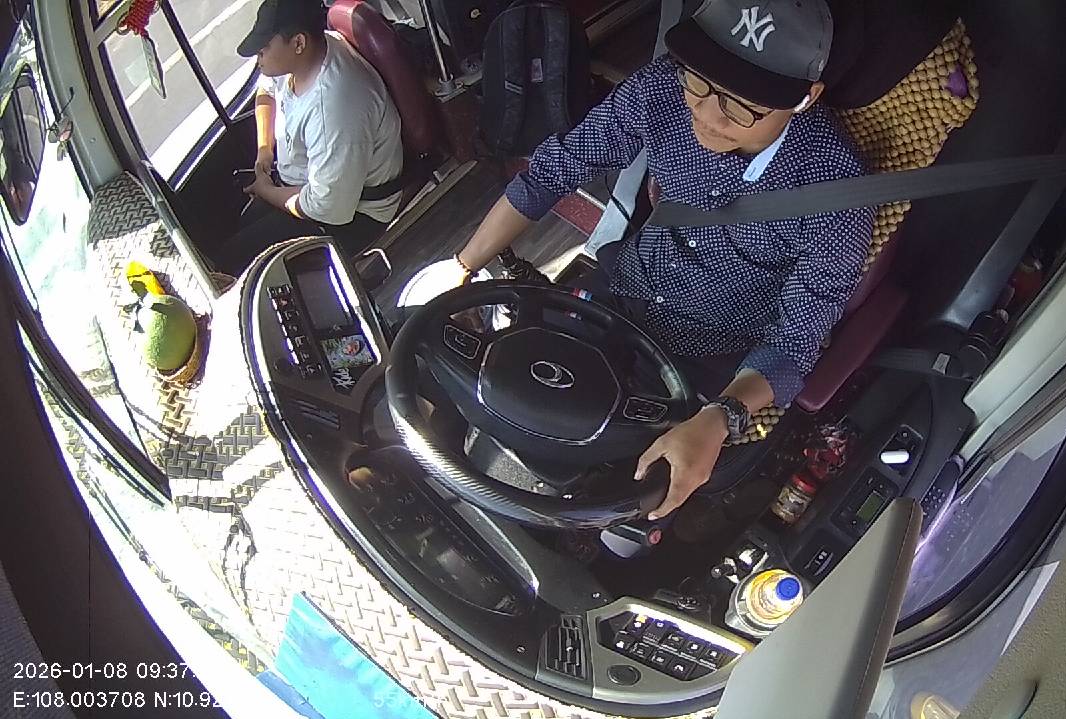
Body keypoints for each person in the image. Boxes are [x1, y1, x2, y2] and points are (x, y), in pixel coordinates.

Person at [448, 0, 874, 520]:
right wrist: (462, 266)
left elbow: (791, 346)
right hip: (617, 290)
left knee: (604, 497)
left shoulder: (836, 195)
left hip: (701, 355)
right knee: (485, 393)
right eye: (701, 82)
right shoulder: (664, 88)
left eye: (741, 105)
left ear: (806, 98)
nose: (707, 116)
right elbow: (554, 169)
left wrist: (718, 419)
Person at [220, 0, 404, 271]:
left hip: (353, 214)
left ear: (298, 43)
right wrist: (264, 150)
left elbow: (326, 207)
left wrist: (266, 190)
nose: (258, 56)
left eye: (264, 47)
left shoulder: (334, 108)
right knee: (242, 228)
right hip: (306, 185)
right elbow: (266, 91)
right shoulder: (303, 58)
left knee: (232, 261)